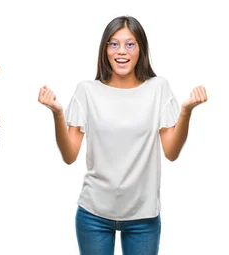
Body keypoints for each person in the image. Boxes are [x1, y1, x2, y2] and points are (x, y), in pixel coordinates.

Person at [38, 16, 207, 255]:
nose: (121, 52)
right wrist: (57, 114)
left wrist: (186, 111)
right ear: (105, 49)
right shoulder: (87, 91)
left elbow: (171, 152)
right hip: (93, 215)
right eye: (113, 44)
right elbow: (69, 155)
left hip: (143, 218)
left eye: (130, 44)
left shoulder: (158, 88)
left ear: (141, 49)